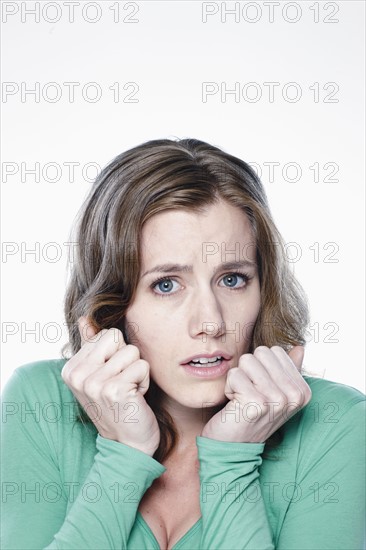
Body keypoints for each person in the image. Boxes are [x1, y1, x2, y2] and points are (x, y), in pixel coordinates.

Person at [1, 138, 365, 550]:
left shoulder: (336, 421)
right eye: (167, 284)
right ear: (114, 304)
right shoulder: (38, 403)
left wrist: (232, 462)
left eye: (233, 279)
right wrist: (123, 456)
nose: (210, 322)